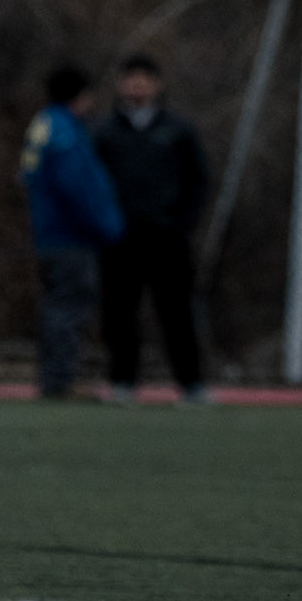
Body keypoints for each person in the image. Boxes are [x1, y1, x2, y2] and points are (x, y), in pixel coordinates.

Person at [92, 52, 210, 403]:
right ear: (120, 84)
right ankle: (122, 383)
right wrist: (103, 224)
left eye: (144, 79)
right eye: (131, 79)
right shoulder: (104, 131)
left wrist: (183, 223)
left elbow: (198, 180)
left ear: (157, 84)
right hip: (119, 238)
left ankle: (191, 384)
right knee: (119, 314)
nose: (137, 86)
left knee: (177, 312)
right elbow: (91, 183)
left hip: (167, 237)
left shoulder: (179, 130)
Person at [20, 67, 125, 397]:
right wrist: (107, 226)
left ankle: (55, 377)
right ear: (79, 95)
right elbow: (77, 187)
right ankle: (59, 380)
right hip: (69, 236)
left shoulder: (43, 124)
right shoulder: (65, 132)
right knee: (68, 306)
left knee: (57, 304)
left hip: (50, 233)